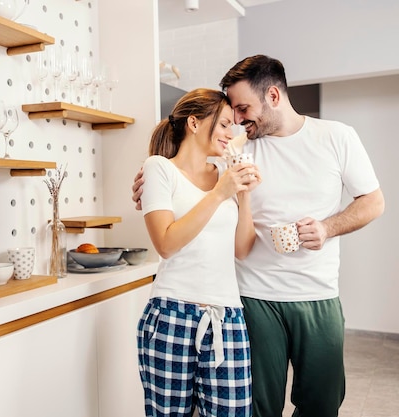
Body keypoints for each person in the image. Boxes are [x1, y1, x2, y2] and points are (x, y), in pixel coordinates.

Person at [133, 55, 385, 417]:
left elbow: (374, 202)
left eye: (242, 108)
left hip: (318, 293)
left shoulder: (336, 137)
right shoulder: (236, 150)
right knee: (257, 408)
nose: (237, 120)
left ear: (273, 95)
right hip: (253, 297)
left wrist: (327, 228)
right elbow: (184, 171)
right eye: (232, 113)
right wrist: (146, 180)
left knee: (323, 403)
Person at [137, 88, 261, 417]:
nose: (229, 133)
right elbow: (166, 242)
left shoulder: (226, 176)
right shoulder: (159, 169)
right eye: (222, 124)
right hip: (171, 314)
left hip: (227, 317)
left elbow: (242, 250)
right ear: (194, 123)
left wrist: (244, 195)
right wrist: (220, 194)